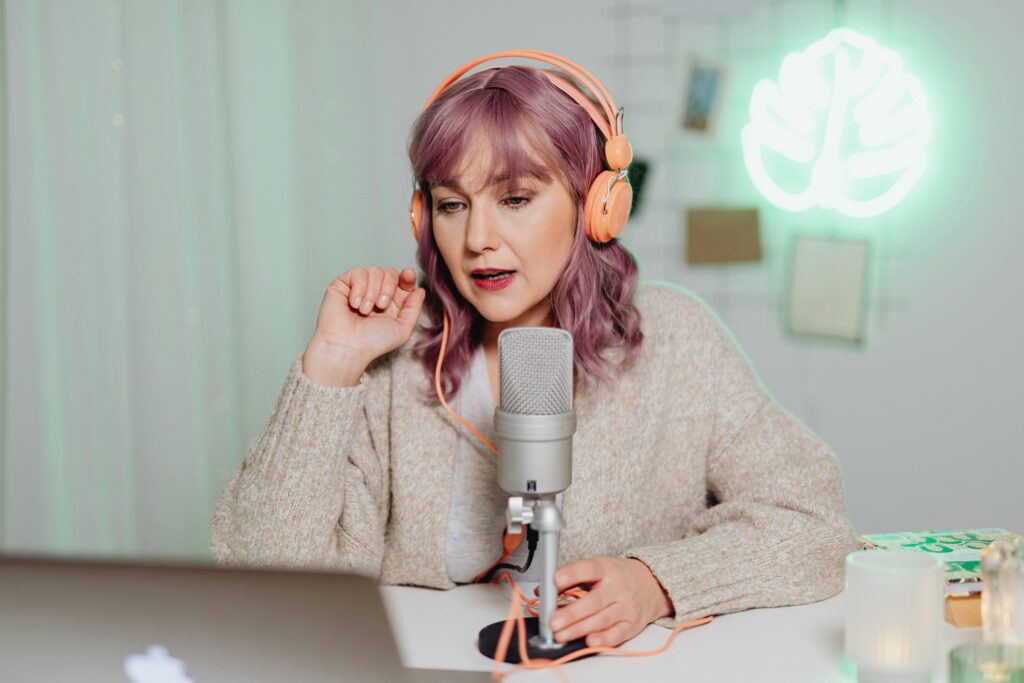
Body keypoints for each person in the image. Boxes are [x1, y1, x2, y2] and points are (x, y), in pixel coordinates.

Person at [211, 52, 857, 650]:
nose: (478, 239)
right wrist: (330, 365)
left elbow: (814, 523)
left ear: (593, 205)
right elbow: (265, 584)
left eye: (515, 198)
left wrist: (655, 580)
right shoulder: (395, 361)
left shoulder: (676, 339)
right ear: (422, 217)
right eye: (451, 204)